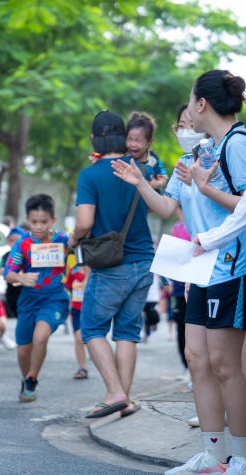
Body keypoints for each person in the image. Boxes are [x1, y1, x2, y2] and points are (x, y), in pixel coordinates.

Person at [111, 70, 246, 475]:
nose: (186, 111)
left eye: (190, 101)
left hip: (230, 265)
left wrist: (205, 198)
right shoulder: (205, 151)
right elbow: (169, 208)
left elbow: (244, 205)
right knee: (196, 358)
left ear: (202, 105)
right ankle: (213, 453)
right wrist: (139, 182)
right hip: (200, 265)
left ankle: (240, 456)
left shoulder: (237, 144)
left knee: (225, 364)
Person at [68, 110, 154, 419]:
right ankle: (126, 399)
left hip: (111, 265)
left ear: (94, 139)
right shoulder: (140, 169)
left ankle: (115, 392)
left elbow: (84, 221)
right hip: (144, 260)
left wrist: (73, 240)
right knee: (127, 332)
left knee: (92, 328)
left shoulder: (90, 175)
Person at [6, 193, 69, 403]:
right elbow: (9, 272)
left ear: (53, 220)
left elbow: (83, 250)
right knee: (23, 349)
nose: (39, 227)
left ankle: (33, 378)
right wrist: (21, 277)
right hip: (28, 300)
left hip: (54, 298)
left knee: (40, 336)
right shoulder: (23, 244)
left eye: (44, 222)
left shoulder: (63, 240)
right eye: (34, 222)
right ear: (27, 220)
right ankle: (26, 379)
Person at [125, 111, 168, 191]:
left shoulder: (153, 159)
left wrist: (157, 183)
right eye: (129, 139)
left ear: (149, 142)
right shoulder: (124, 155)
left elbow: (163, 177)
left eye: (138, 141)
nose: (133, 144)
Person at [65, 263, 89, 380]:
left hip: (92, 310)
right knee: (79, 338)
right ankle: (83, 368)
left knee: (93, 340)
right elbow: (68, 287)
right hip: (77, 309)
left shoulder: (96, 268)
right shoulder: (74, 269)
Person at [0, 226, 27, 319]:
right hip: (12, 292)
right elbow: (0, 269)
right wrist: (10, 273)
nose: (14, 243)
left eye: (17, 240)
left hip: (26, 291)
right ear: (7, 242)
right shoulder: (6, 256)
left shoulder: (28, 254)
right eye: (11, 240)